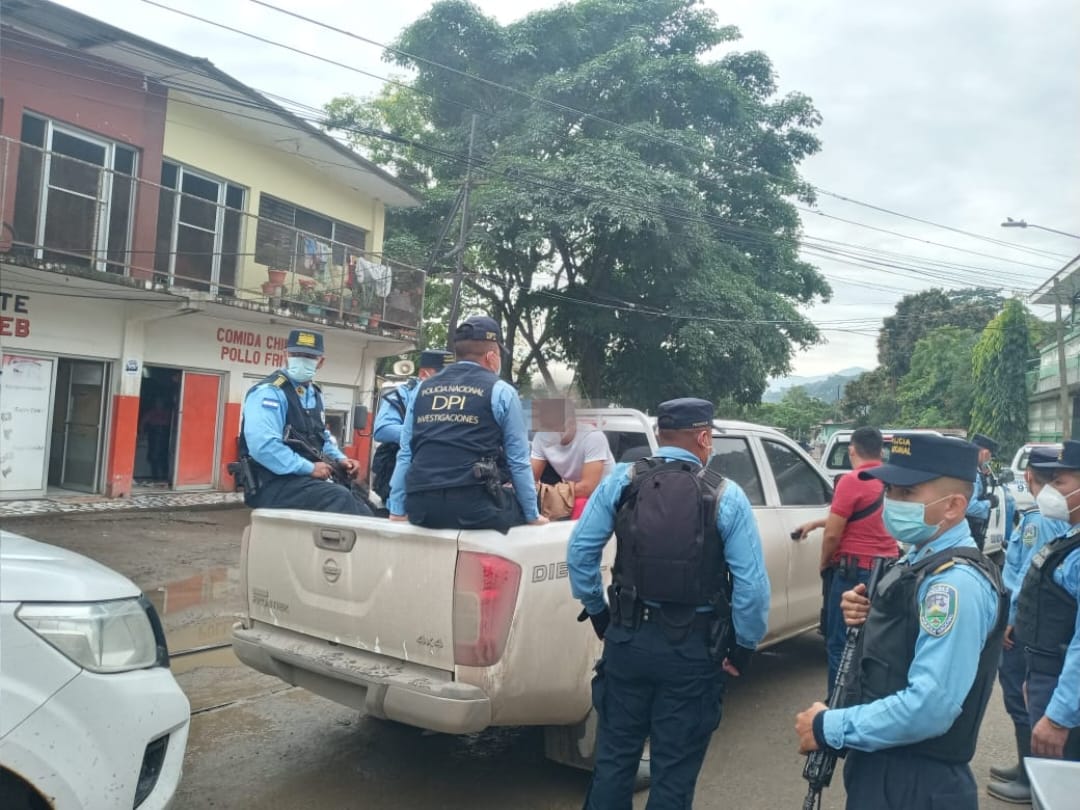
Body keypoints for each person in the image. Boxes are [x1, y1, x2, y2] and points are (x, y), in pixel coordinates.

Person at [568, 397, 770, 808]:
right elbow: (752, 588)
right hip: (693, 654)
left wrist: (601, 615)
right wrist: (743, 648)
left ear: (661, 435)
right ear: (703, 436)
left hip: (627, 641)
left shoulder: (621, 482)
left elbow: (579, 555)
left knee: (614, 761)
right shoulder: (726, 495)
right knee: (673, 773)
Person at [795, 433, 1008, 810]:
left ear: (953, 506)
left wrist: (829, 726)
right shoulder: (918, 560)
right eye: (889, 490)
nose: (891, 502)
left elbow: (931, 707)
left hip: (916, 781)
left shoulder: (954, 585)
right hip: (886, 766)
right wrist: (870, 615)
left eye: (907, 494)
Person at [388, 315, 547, 532]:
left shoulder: (421, 390)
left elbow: (406, 453)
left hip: (421, 508)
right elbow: (518, 461)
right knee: (528, 505)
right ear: (492, 357)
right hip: (474, 508)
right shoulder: (502, 391)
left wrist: (397, 510)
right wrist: (532, 515)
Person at [987, 446, 1070, 803]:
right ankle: (1026, 767)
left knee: (1022, 698)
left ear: (1027, 477)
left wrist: (1012, 618)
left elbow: (1025, 578)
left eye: (1060, 479)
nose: (1054, 486)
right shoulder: (1050, 517)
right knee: (1022, 698)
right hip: (1031, 632)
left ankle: (1030, 776)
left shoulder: (1039, 520)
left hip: (1027, 630)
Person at [794, 426, 898, 695]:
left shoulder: (852, 480)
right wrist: (816, 523)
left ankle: (838, 706)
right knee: (874, 644)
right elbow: (857, 516)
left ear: (852, 450)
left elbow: (834, 534)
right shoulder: (891, 481)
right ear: (880, 451)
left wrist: (824, 562)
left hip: (854, 575)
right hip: (886, 572)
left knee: (840, 645)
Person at [238, 329, 370, 515]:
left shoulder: (314, 394)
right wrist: (309, 468)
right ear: (286, 355)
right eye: (296, 354)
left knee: (363, 502)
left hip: (303, 481)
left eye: (309, 356)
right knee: (339, 498)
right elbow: (263, 446)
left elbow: (322, 437)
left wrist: (341, 459)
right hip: (273, 482)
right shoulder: (270, 392)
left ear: (320, 361)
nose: (301, 360)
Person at [1014, 440, 1080, 765]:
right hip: (1047, 677)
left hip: (1064, 692)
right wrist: (1035, 678)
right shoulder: (1069, 538)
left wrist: (1059, 716)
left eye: (1059, 481)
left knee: (1062, 786)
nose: (1050, 490)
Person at [371, 350, 454, 504]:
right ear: (424, 374)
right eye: (442, 376)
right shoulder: (402, 395)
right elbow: (382, 429)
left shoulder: (452, 399)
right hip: (397, 472)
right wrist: (422, 433)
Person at [530, 398, 615, 519]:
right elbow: (530, 478)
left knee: (579, 505)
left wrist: (549, 494)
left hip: (602, 495)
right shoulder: (541, 437)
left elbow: (588, 488)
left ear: (571, 422)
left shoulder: (593, 437)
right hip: (571, 495)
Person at [966, 433, 1001, 551]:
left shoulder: (970, 468)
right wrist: (989, 503)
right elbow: (969, 507)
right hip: (970, 530)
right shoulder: (973, 474)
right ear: (985, 453)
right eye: (990, 456)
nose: (989, 460)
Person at [140, 396, 173, 481]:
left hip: (165, 435)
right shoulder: (151, 412)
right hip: (154, 435)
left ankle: (164, 476)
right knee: (154, 456)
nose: (159, 404)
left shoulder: (167, 413)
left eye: (161, 403)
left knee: (164, 456)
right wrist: (142, 434)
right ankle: (155, 477)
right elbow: (143, 423)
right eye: (157, 403)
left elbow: (173, 423)